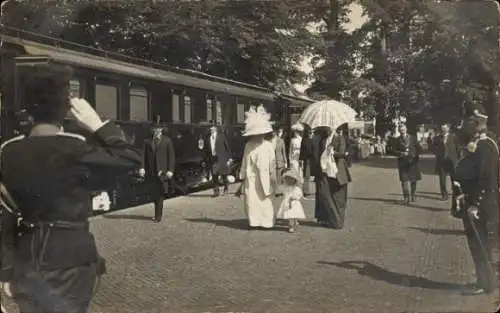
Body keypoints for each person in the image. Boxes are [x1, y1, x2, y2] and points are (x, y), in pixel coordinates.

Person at [0, 64, 141, 313]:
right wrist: (98, 125)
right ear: (66, 110)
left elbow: (5, 219)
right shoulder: (74, 149)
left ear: (29, 110)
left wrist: (6, 271)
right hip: (70, 258)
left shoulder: (8, 152)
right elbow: (129, 159)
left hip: (26, 259)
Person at [455, 113, 499, 295]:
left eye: (467, 125)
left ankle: (486, 283)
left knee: (480, 244)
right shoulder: (481, 145)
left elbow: (486, 178)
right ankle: (485, 280)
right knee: (478, 243)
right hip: (476, 200)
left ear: (475, 126)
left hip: (481, 203)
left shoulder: (485, 147)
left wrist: (475, 205)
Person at [237, 105, 276, 230]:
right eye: (257, 134)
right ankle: (254, 221)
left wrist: (273, 174)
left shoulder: (268, 146)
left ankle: (266, 222)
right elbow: (245, 161)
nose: (259, 136)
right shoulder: (248, 145)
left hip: (265, 176)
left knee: (266, 199)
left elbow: (272, 162)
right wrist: (242, 176)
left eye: (261, 134)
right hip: (252, 177)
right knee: (252, 200)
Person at [311, 125, 352, 229]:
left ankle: (338, 223)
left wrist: (333, 152)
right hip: (328, 172)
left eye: (330, 127)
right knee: (327, 195)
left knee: (339, 199)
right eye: (327, 127)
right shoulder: (324, 140)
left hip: (339, 171)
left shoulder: (339, 138)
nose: (328, 129)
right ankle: (333, 220)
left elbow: (342, 153)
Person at [138, 125, 175, 222]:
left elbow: (171, 157)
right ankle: (157, 213)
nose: (157, 131)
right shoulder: (147, 142)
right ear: (153, 130)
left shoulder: (167, 141)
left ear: (161, 130)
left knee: (160, 194)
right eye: (155, 129)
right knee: (153, 193)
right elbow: (143, 156)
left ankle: (158, 216)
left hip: (162, 172)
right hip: (151, 172)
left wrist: (170, 170)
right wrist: (142, 167)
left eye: (158, 129)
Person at [393, 124, 422, 204]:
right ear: (399, 131)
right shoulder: (397, 140)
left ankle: (413, 195)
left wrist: (415, 156)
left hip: (413, 162)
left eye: (403, 129)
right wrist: (401, 153)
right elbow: (393, 151)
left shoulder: (413, 138)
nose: (402, 131)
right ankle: (406, 197)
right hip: (403, 163)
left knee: (414, 180)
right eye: (401, 130)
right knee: (404, 180)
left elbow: (419, 148)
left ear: (406, 129)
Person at [433, 123, 461, 200]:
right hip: (442, 162)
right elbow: (433, 149)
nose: (444, 130)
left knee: (454, 179)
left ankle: (456, 193)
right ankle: (444, 195)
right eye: (442, 129)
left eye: (445, 128)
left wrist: (457, 160)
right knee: (442, 180)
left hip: (452, 162)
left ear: (448, 129)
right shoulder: (437, 138)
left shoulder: (453, 137)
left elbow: (458, 149)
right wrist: (438, 154)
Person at [204, 124, 232, 197]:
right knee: (214, 176)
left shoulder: (221, 136)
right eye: (210, 127)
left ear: (216, 128)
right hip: (212, 159)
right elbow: (206, 150)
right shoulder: (207, 138)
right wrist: (205, 159)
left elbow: (227, 147)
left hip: (221, 159)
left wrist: (229, 158)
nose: (211, 129)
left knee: (223, 175)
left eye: (212, 127)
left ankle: (226, 187)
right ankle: (216, 192)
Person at [276, 168, 306, 233]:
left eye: (291, 179)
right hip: (287, 203)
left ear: (295, 181)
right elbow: (279, 190)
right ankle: (291, 226)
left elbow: (299, 195)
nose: (289, 181)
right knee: (290, 216)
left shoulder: (296, 189)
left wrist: (294, 197)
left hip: (294, 203)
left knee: (294, 215)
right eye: (287, 179)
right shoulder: (285, 187)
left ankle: (295, 223)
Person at [270, 126, 287, 196]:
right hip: (273, 161)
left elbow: (284, 152)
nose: (273, 133)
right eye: (272, 132)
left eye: (274, 132)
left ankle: (280, 191)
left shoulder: (281, 141)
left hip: (280, 161)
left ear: (276, 133)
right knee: (274, 177)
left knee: (280, 177)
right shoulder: (270, 141)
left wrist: (286, 162)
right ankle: (276, 190)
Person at [299, 126, 314, 198]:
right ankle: (305, 191)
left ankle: (307, 190)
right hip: (306, 160)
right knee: (306, 176)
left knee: (310, 177)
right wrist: (300, 160)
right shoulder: (304, 140)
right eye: (309, 133)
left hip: (312, 160)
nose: (310, 134)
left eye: (311, 133)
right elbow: (301, 151)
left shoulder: (313, 140)